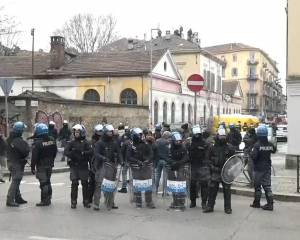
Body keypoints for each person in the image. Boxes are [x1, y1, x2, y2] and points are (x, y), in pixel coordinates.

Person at [203, 128, 235, 214]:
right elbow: (207, 160)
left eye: (224, 136)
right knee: (212, 189)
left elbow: (234, 161)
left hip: (227, 172)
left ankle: (228, 208)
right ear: (217, 136)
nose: (222, 138)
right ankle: (210, 206)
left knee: (227, 190)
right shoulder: (212, 147)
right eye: (221, 136)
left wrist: (230, 169)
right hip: (216, 171)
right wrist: (212, 167)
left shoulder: (230, 147)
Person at [93, 124, 122, 210]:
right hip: (101, 165)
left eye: (111, 132)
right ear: (105, 132)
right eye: (109, 132)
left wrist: (122, 161)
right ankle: (96, 203)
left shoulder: (114, 143)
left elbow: (119, 152)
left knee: (110, 185)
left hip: (111, 166)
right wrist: (103, 158)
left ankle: (110, 202)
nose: (110, 133)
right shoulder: (99, 143)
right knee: (99, 184)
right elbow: (96, 153)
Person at [64, 124, 93, 209]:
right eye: (75, 132)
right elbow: (66, 152)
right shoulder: (71, 142)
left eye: (78, 132)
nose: (76, 133)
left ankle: (86, 201)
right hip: (74, 166)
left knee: (85, 184)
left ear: (82, 132)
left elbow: (91, 151)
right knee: (74, 183)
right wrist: (72, 153)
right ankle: (73, 202)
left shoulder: (86, 142)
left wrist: (84, 152)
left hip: (83, 166)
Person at [250, 124, 277, 211]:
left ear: (258, 134)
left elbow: (254, 157)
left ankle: (256, 203)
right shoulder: (269, 144)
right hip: (267, 168)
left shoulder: (257, 145)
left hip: (258, 169)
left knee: (257, 186)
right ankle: (270, 204)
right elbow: (274, 149)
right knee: (267, 186)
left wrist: (251, 153)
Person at [127, 128, 155, 208]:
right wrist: (137, 161)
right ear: (135, 136)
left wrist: (147, 160)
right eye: (139, 135)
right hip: (136, 167)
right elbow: (129, 157)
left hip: (146, 167)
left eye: (141, 135)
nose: (141, 136)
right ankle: (138, 202)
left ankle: (149, 202)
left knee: (148, 184)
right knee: (137, 185)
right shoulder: (131, 146)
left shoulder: (146, 144)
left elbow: (151, 154)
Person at [31, 123, 57, 206]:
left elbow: (34, 157)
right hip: (50, 164)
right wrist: (52, 160)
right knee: (48, 181)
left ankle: (44, 200)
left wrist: (32, 167)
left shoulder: (37, 143)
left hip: (41, 165)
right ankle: (49, 197)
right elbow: (55, 152)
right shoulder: (52, 140)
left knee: (43, 183)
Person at [6, 122, 30, 207]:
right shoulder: (19, 141)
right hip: (17, 163)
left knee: (16, 181)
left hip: (10, 162)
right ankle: (10, 199)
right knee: (16, 181)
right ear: (20, 131)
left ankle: (18, 198)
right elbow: (26, 151)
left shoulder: (9, 139)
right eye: (23, 130)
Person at [187, 125, 211, 209]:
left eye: (198, 134)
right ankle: (193, 202)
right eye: (195, 134)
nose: (197, 135)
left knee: (204, 185)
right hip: (193, 165)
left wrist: (207, 163)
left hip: (202, 166)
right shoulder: (190, 142)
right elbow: (186, 153)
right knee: (192, 185)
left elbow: (208, 154)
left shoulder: (205, 143)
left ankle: (204, 202)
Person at [167, 132, 189, 211]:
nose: (178, 142)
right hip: (172, 168)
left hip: (181, 168)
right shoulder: (170, 148)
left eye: (179, 141)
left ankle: (182, 202)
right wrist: (173, 163)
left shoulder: (183, 147)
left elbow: (186, 157)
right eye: (176, 141)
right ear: (173, 141)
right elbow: (168, 157)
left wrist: (179, 163)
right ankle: (175, 201)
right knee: (173, 185)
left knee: (181, 184)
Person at [118, 126, 131, 193]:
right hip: (132, 161)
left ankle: (124, 187)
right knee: (132, 174)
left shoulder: (125, 142)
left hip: (126, 160)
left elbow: (121, 152)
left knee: (124, 173)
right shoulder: (132, 142)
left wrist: (121, 161)